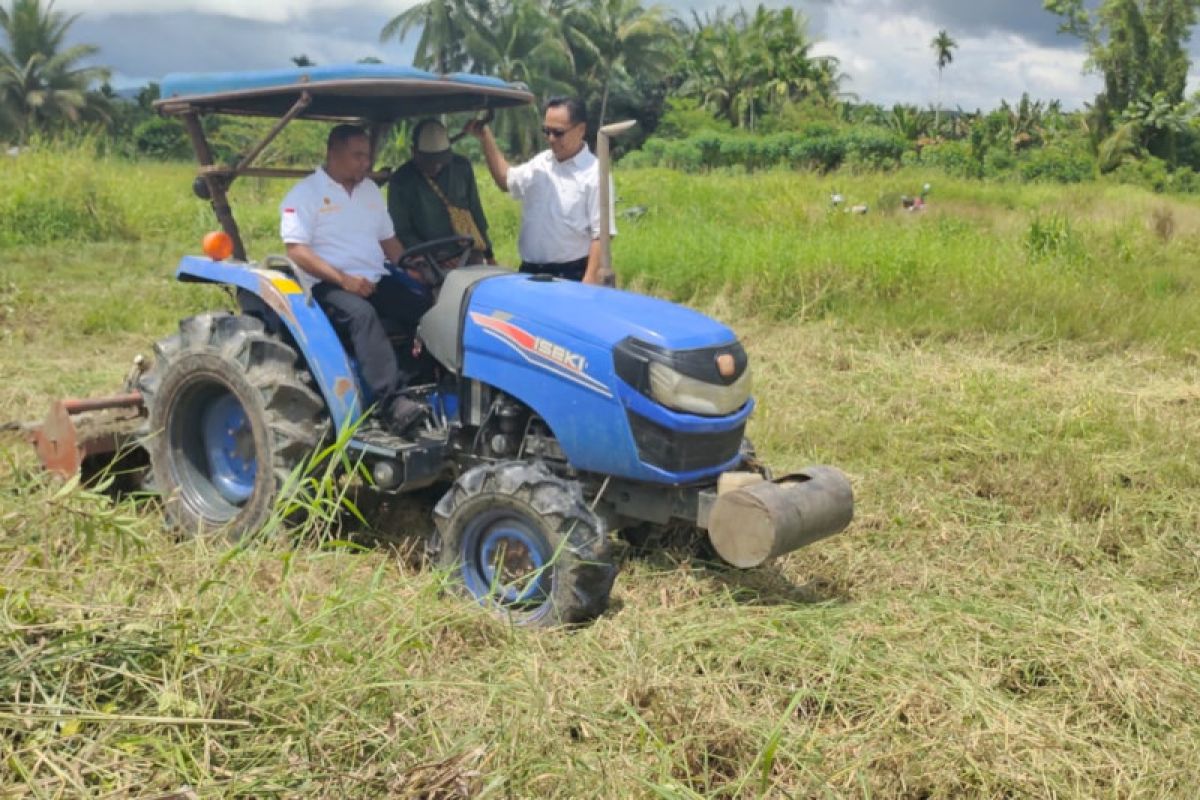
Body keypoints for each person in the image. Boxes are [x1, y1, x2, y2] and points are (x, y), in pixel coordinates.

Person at [280, 124, 430, 434]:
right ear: (333, 153)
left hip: (374, 277)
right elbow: (296, 250)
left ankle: (425, 382)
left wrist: (412, 267)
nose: (366, 163)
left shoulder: (370, 191)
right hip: (326, 284)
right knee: (363, 316)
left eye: (368, 156)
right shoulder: (306, 194)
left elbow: (389, 241)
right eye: (358, 156)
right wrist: (344, 280)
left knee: (425, 307)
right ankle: (391, 404)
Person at [466, 96, 614, 284]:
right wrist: (485, 138)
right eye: (546, 131)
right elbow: (505, 180)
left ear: (581, 130)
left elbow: (601, 235)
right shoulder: (540, 163)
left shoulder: (595, 174)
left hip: (569, 275)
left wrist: (588, 282)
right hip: (529, 272)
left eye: (558, 133)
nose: (551, 139)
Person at [387, 118, 494, 264]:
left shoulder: (461, 167)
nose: (436, 166)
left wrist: (489, 255)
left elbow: (476, 213)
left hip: (467, 252)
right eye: (429, 162)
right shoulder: (401, 180)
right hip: (426, 258)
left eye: (440, 161)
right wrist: (433, 257)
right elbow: (402, 231)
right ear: (414, 152)